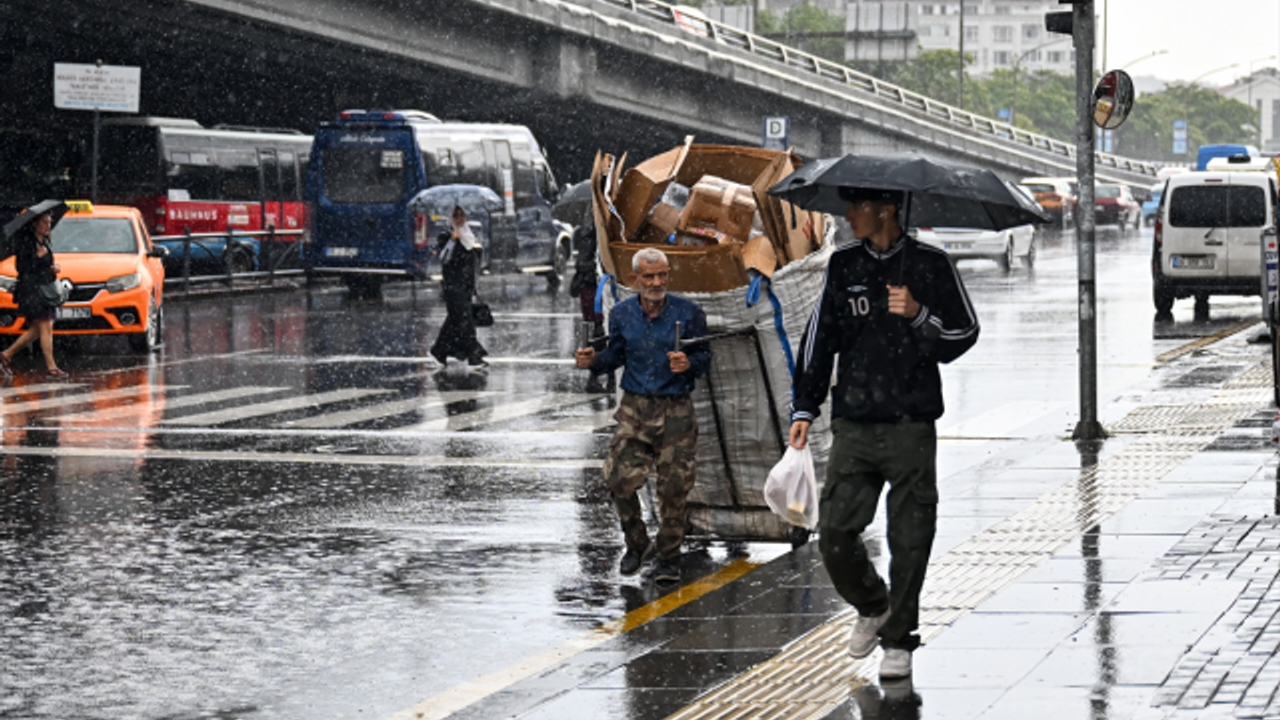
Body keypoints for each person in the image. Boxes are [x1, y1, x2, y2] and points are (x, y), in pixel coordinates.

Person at [789, 187, 979, 680]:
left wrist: (918, 315)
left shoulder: (932, 265)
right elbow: (819, 337)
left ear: (885, 210)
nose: (848, 216)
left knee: (911, 539)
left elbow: (964, 334)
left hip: (911, 425)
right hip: (853, 421)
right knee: (833, 533)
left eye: (857, 207)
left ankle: (900, 640)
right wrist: (804, 407)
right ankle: (873, 604)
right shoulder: (843, 264)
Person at [574, 247, 711, 584]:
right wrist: (594, 361)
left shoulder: (689, 313)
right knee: (617, 479)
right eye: (648, 276)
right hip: (635, 408)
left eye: (662, 275)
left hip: (676, 409)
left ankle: (668, 557)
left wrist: (689, 364)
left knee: (673, 489)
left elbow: (705, 357)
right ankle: (637, 544)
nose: (656, 282)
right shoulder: (621, 314)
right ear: (635, 279)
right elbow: (615, 355)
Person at [1, 209, 65, 378]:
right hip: (32, 291)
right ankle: (51, 367)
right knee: (46, 326)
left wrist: (52, 267)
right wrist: (37, 258)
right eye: (44, 222)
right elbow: (22, 269)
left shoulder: (44, 242)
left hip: (43, 290)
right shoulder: (26, 243)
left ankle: (6, 355)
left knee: (37, 330)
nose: (47, 226)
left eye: (49, 222)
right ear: (35, 224)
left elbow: (44, 266)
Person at [430, 205, 488, 369]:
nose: (459, 218)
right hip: (453, 287)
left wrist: (474, 286)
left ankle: (439, 351)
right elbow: (444, 258)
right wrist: (452, 241)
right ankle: (473, 356)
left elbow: (474, 263)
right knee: (465, 322)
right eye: (456, 216)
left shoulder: (469, 235)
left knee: (454, 322)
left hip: (466, 287)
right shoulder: (446, 235)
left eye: (462, 215)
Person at [567, 211, 614, 393]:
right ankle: (596, 378)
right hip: (593, 289)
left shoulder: (604, 232)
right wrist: (599, 265)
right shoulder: (590, 235)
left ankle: (607, 379)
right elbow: (582, 264)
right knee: (600, 333)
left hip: (600, 288)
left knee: (607, 333)